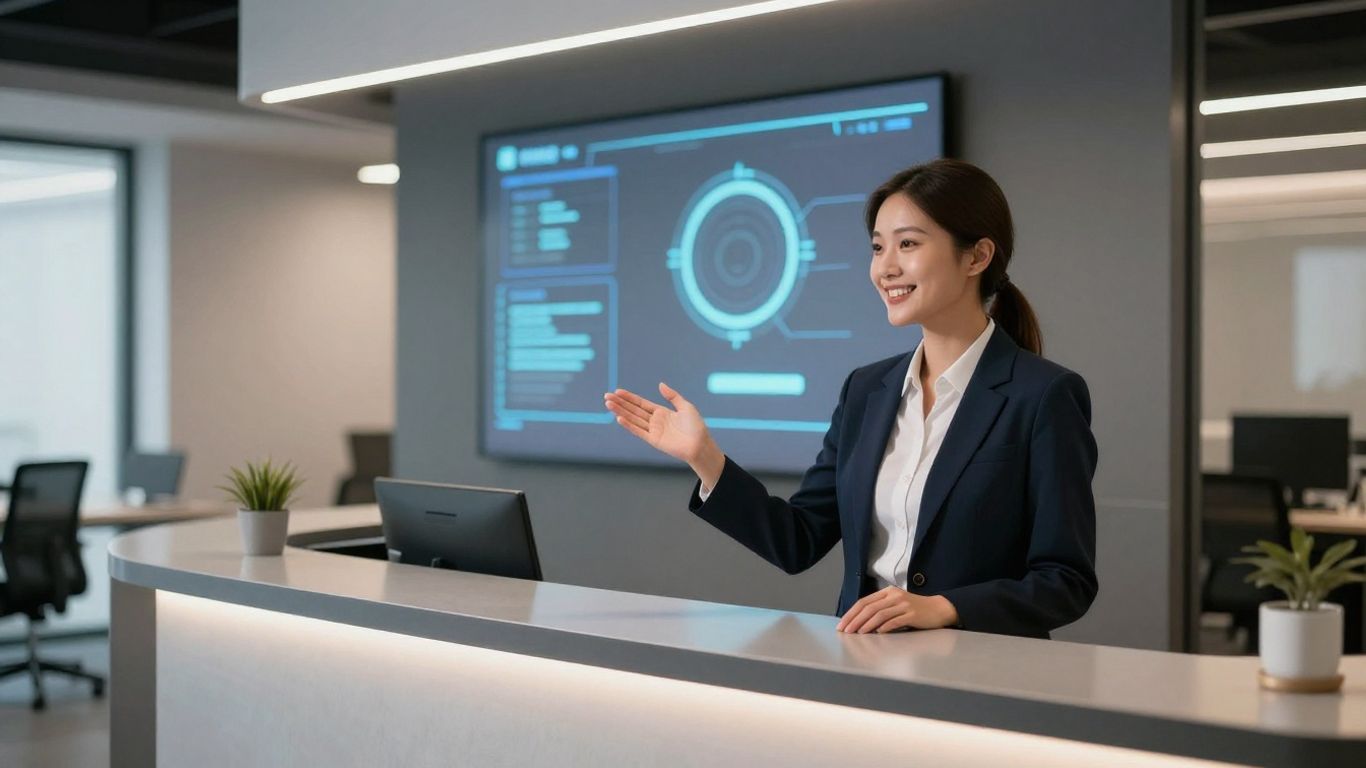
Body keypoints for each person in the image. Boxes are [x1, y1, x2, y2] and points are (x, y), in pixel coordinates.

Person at [603, 159, 1098, 638]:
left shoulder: (1043, 396)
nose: (886, 268)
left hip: (982, 679)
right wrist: (705, 459)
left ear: (976, 256)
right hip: (866, 667)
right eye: (878, 248)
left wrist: (944, 608)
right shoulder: (867, 391)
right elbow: (797, 541)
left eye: (907, 244)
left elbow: (1065, 582)